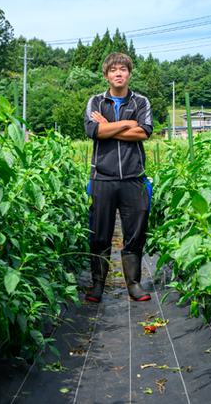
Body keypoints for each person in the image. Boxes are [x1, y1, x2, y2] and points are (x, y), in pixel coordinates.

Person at [83, 52, 153, 302]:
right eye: (113, 70)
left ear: (129, 73)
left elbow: (144, 132)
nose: (118, 73)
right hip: (102, 177)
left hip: (134, 177)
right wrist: (127, 124)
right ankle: (97, 285)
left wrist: (109, 128)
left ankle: (134, 285)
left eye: (123, 69)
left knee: (135, 233)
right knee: (100, 234)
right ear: (106, 75)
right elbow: (94, 130)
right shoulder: (95, 101)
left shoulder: (141, 101)